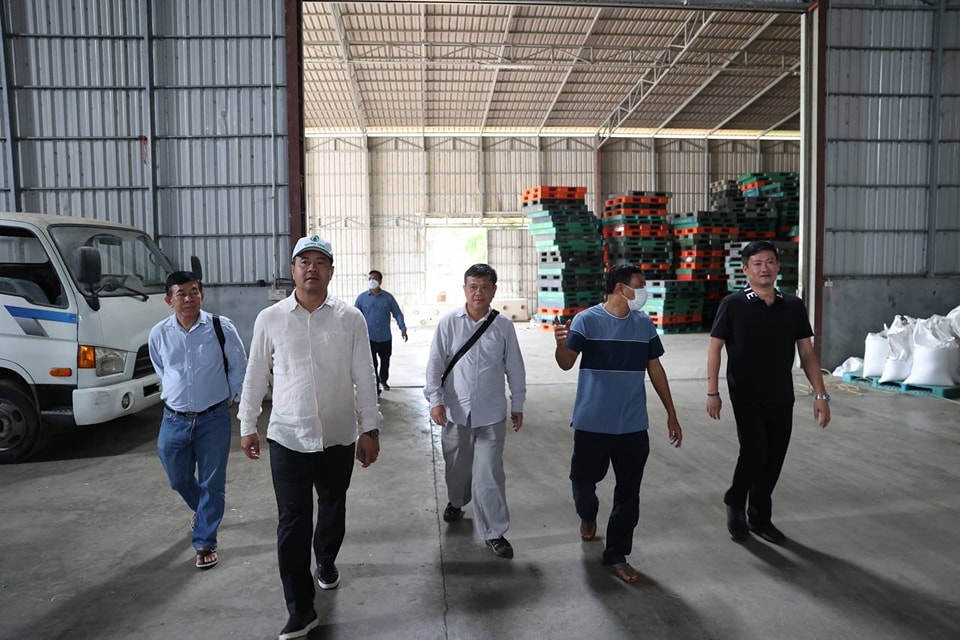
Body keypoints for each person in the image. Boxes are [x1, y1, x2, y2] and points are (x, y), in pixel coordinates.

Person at [237, 235, 382, 640]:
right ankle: (300, 609)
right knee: (292, 521)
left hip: (338, 436)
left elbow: (364, 375)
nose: (312, 268)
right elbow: (255, 374)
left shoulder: (350, 318)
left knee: (333, 507)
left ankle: (327, 560)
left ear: (331, 271)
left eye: (320, 262)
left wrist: (370, 428)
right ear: (293, 269)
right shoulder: (271, 319)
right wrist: (247, 423)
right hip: (288, 436)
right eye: (305, 261)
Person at [554, 263, 682, 584]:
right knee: (583, 484)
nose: (643, 292)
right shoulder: (586, 320)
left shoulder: (644, 324)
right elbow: (566, 363)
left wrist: (671, 412)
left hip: (632, 425)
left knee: (629, 494)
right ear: (619, 288)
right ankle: (587, 515)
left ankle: (616, 554)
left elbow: (655, 368)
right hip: (592, 423)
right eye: (639, 285)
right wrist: (560, 344)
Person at [706, 239, 831, 545]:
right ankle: (735, 501)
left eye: (770, 262)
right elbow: (714, 349)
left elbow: (807, 353)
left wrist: (821, 395)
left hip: (781, 394)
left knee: (774, 457)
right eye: (758, 264)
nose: (765, 268)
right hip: (745, 394)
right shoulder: (733, 305)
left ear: (778, 267)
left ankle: (760, 517)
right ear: (745, 269)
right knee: (754, 452)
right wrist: (713, 391)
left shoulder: (793, 306)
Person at [424, 263, 526, 559]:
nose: (478, 292)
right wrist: (435, 401)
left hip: (491, 413)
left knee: (489, 474)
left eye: (484, 287)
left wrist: (517, 403)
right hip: (455, 411)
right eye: (473, 287)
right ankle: (457, 501)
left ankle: (495, 532)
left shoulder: (503, 326)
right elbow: (434, 365)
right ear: (464, 289)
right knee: (456, 466)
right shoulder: (449, 323)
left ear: (493, 290)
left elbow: (515, 367)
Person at [148, 271, 247, 571]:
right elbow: (162, 370)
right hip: (174, 419)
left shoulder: (221, 327)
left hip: (213, 419)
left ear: (202, 295)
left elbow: (239, 366)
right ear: (169, 300)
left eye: (194, 292)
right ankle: (204, 512)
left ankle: (205, 541)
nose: (189, 298)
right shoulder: (159, 333)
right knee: (178, 478)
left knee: (212, 482)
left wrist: (229, 399)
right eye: (181, 293)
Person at [355, 269, 408, 394]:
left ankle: (383, 380)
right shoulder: (362, 298)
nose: (372, 281)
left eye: (374, 278)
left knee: (385, 361)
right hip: (369, 337)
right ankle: (376, 386)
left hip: (385, 337)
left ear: (380, 281)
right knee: (372, 363)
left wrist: (402, 328)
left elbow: (397, 313)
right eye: (370, 279)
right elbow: (355, 316)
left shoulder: (388, 298)